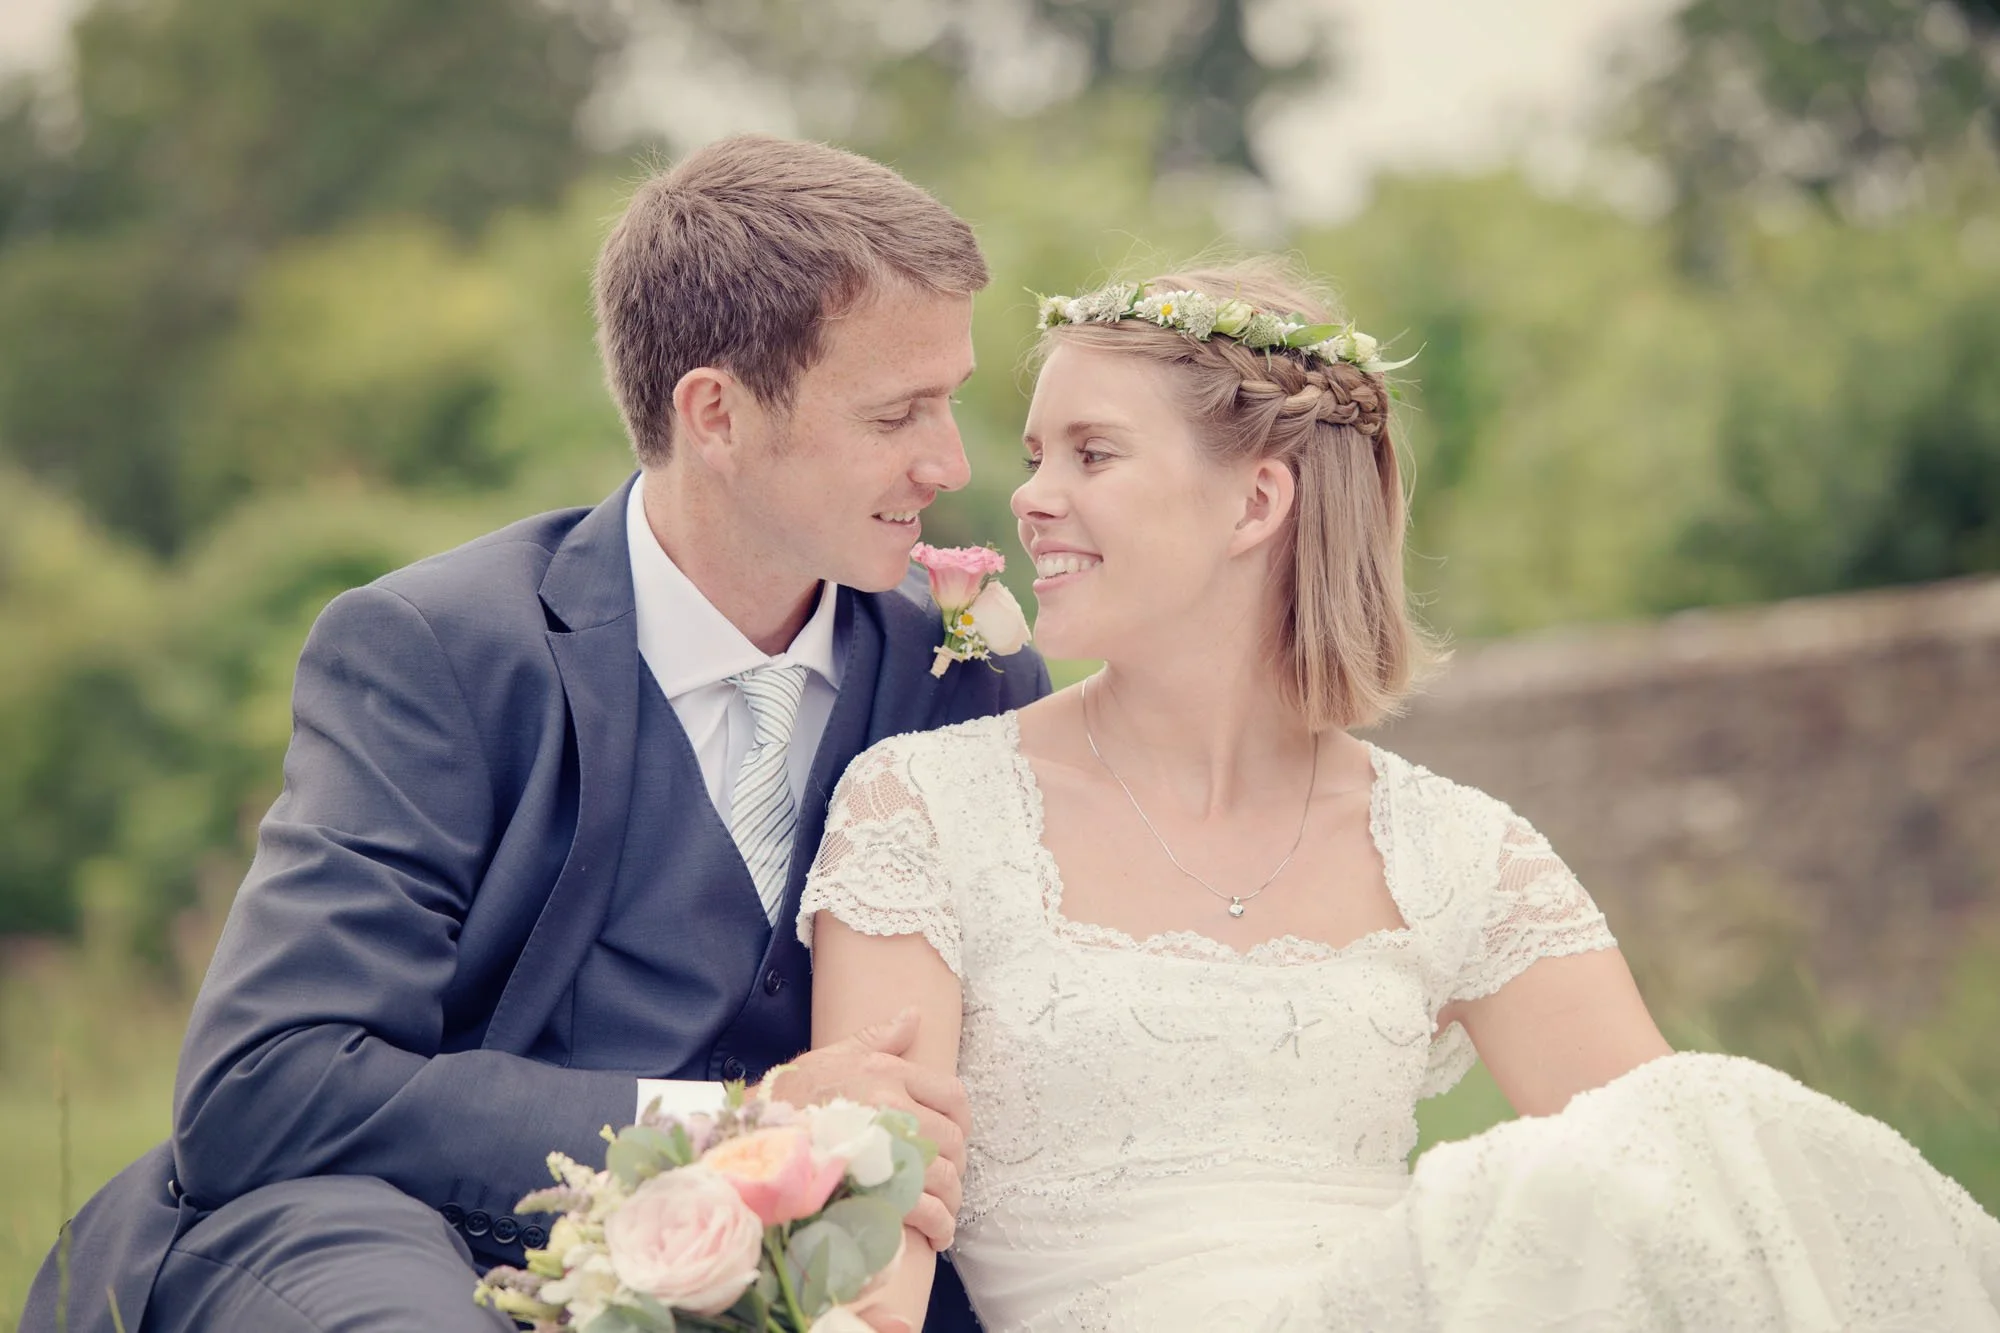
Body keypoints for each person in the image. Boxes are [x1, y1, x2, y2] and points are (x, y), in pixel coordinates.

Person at [796, 259, 2000, 1329]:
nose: (1028, 494)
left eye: (1091, 453)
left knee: (1708, 1120)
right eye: (1035, 454)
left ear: (1257, 503)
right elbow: (874, 1253)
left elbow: (1670, 1174)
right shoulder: (926, 805)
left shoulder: (1455, 850)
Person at [24, 134, 1047, 1333]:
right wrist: (739, 1119)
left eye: (952, 400)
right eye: (897, 412)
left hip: (819, 1272)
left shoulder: (964, 668)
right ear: (714, 413)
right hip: (416, 1240)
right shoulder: (436, 649)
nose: (948, 462)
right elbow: (268, 1086)